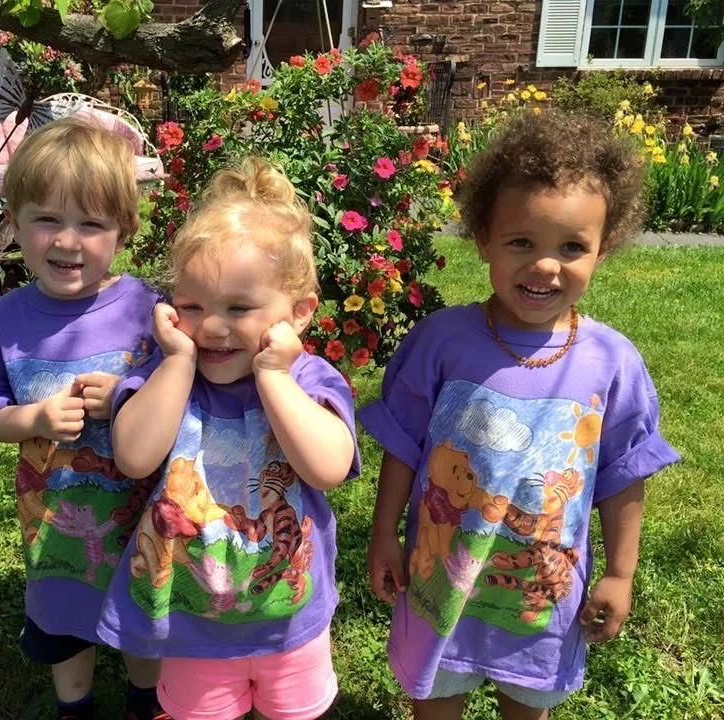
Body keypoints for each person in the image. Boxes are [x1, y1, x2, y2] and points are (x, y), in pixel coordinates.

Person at [359, 109, 680, 720]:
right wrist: (382, 536)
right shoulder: (441, 342)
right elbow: (402, 447)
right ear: (483, 238)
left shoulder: (613, 362)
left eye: (572, 247)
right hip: (438, 581)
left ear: (602, 248)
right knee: (432, 702)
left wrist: (620, 573)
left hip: (543, 599)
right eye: (521, 242)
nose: (545, 265)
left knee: (527, 706)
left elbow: (623, 473)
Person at [97, 157, 360, 720]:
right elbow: (135, 455)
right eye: (193, 307)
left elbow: (328, 467)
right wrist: (176, 363)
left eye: (239, 308)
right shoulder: (167, 374)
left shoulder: (305, 379)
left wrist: (272, 377)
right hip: (192, 622)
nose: (213, 326)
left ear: (300, 313)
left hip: (289, 617)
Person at [0, 117, 169, 720]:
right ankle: (75, 705)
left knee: (144, 606)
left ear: (123, 231)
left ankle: (146, 699)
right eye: (47, 218)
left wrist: (127, 392)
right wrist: (35, 419)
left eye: (91, 224)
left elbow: (182, 388)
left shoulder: (150, 310)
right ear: (13, 221)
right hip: (55, 516)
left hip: (144, 509)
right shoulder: (4, 322)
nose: (68, 242)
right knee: (63, 614)